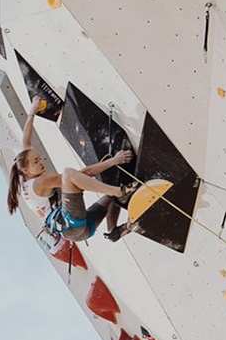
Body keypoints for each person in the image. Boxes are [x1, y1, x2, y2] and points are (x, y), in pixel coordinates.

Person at [7, 96, 137, 242]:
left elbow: (26, 142)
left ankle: (113, 231)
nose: (41, 162)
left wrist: (32, 112)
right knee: (69, 174)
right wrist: (114, 161)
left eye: (39, 158)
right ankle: (119, 191)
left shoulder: (24, 174)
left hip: (79, 229)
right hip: (72, 224)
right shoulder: (40, 182)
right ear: (26, 169)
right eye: (36, 161)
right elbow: (82, 175)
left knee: (110, 194)